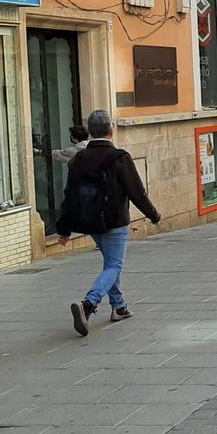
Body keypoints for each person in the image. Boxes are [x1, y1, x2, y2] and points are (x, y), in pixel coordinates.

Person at [58, 110, 160, 337]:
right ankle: (88, 305)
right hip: (115, 222)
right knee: (114, 266)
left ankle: (119, 307)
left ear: (90, 131)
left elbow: (68, 195)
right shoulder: (119, 157)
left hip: (89, 222)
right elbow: (137, 192)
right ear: (110, 130)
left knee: (110, 265)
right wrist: (153, 215)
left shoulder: (78, 160)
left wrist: (64, 229)